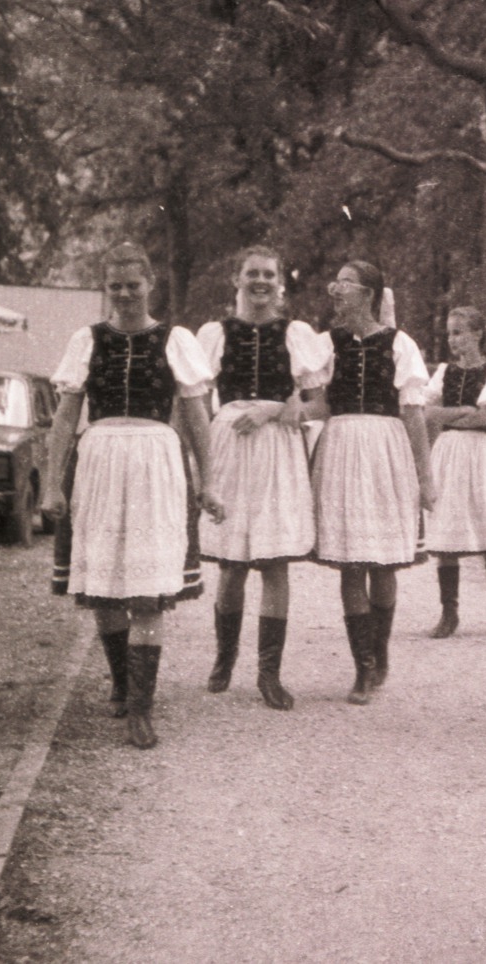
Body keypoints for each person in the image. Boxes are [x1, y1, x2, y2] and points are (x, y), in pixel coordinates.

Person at [41, 241, 225, 749]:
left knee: (148, 587)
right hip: (98, 461)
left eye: (133, 285)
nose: (124, 295)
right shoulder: (87, 339)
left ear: (150, 286)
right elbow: (63, 419)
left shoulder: (175, 339)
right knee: (104, 581)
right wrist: (53, 482)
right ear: (106, 288)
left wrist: (209, 481)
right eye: (115, 286)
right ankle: (122, 681)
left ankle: (142, 708)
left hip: (156, 463)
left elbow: (196, 418)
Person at [196, 245, 327, 711]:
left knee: (274, 561)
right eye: (252, 273)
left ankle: (269, 673)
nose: (260, 282)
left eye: (269, 275)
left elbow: (320, 404)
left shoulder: (296, 333)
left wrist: (277, 407)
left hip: (277, 448)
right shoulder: (214, 334)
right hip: (230, 445)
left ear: (280, 283)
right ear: (237, 278)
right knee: (232, 563)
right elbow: (194, 399)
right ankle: (224, 658)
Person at [306, 261, 434, 704]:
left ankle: (379, 653)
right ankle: (362, 667)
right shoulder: (326, 345)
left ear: (369, 293)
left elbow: (413, 414)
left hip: (385, 452)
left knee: (382, 562)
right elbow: (318, 405)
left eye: (344, 284)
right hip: (340, 448)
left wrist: (426, 477)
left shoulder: (401, 345)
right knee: (350, 561)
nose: (335, 291)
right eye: (334, 282)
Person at [422, 306, 486, 637]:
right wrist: (464, 410)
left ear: (477, 334)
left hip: (481, 454)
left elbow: (483, 419)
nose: (453, 339)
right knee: (447, 534)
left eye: (459, 332)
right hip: (449, 453)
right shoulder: (444, 373)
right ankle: (449, 613)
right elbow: (426, 413)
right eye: (450, 333)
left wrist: (453, 415)